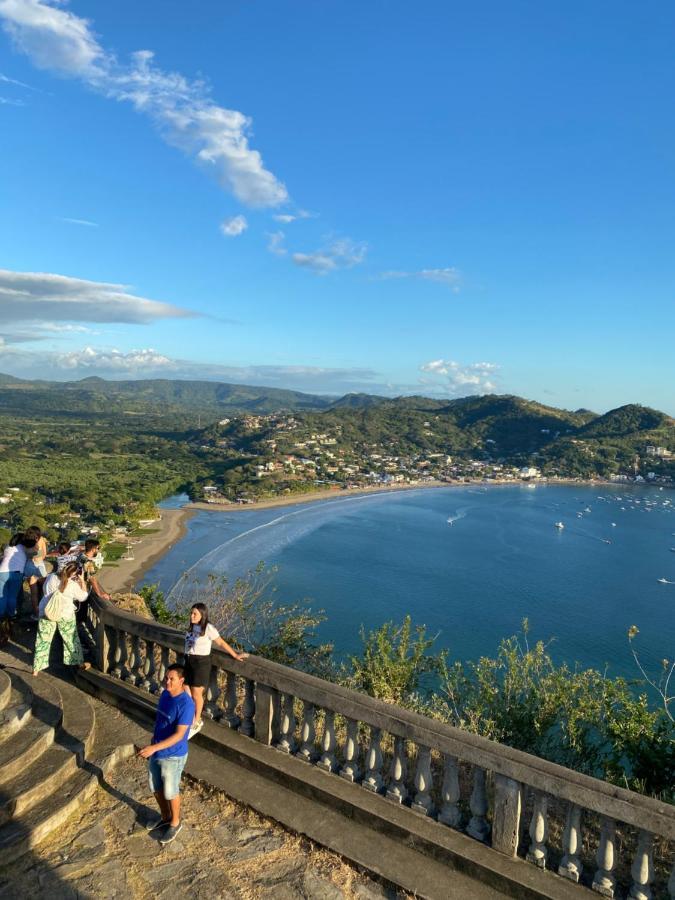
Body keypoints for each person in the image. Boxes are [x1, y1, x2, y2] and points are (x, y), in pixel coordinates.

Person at [137, 664, 195, 845]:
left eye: (172, 679)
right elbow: (161, 721)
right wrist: (154, 742)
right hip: (157, 748)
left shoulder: (186, 705)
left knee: (171, 791)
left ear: (181, 681)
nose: (167, 681)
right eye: (166, 678)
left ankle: (175, 822)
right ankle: (165, 816)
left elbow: (179, 735)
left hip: (173, 755)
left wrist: (154, 748)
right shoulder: (165, 695)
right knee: (155, 786)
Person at [183, 602, 248, 738]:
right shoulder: (192, 626)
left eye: (195, 613)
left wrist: (235, 655)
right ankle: (189, 715)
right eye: (191, 613)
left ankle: (197, 720)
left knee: (196, 693)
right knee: (185, 688)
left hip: (201, 664)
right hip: (189, 660)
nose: (192, 615)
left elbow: (221, 642)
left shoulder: (208, 628)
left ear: (203, 615)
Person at [32, 562, 91, 676]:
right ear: (74, 573)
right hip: (65, 614)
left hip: (47, 612)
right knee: (71, 639)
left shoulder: (51, 577)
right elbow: (83, 597)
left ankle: (36, 669)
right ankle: (79, 663)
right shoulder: (72, 584)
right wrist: (82, 581)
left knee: (43, 641)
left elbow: (45, 590)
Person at [0, 533, 37, 643]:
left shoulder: (8, 547)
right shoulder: (24, 549)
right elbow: (35, 553)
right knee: (12, 596)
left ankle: (1, 614)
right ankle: (11, 615)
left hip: (1, 572)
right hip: (16, 573)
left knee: (2, 596)